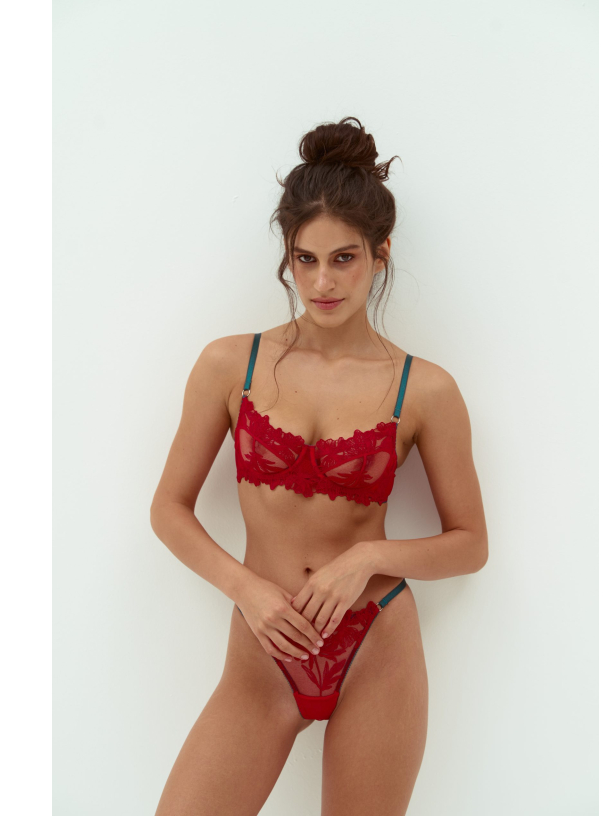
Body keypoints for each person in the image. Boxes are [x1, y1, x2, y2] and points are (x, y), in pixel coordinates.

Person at [149, 116, 488, 816]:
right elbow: (168, 509)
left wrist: (367, 557)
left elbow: (470, 544)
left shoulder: (425, 390)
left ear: (380, 254)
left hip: (377, 643)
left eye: (344, 258)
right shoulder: (229, 365)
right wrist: (246, 588)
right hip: (263, 644)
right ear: (287, 255)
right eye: (305, 259)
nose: (323, 281)